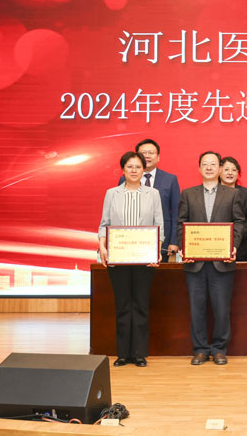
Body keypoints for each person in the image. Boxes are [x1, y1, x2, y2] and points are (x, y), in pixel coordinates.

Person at [177, 151, 246, 366]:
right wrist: (184, 248)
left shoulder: (232, 194)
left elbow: (239, 223)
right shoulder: (188, 194)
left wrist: (233, 246)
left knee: (221, 309)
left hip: (222, 262)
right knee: (196, 309)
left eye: (213, 164)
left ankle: (219, 349)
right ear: (199, 168)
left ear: (219, 169)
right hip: (195, 263)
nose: (209, 167)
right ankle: (200, 349)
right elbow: (181, 224)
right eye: (205, 164)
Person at [98, 151, 164, 367]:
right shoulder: (112, 193)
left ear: (144, 170)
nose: (134, 170)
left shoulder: (153, 194)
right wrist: (102, 247)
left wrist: (157, 252)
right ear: (123, 170)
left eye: (138, 167)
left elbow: (159, 225)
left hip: (145, 259)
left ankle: (139, 353)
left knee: (141, 305)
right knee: (123, 305)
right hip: (118, 258)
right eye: (130, 166)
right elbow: (104, 224)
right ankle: (123, 353)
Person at [118, 139, 180, 262]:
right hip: (132, 240)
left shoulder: (170, 179)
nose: (147, 156)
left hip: (162, 241)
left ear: (158, 157)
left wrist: (174, 241)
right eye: (143, 153)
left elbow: (176, 213)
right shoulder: (124, 179)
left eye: (151, 153)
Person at [219, 156, 247, 262]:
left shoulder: (246, 193)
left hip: (241, 247)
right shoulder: (212, 192)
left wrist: (237, 235)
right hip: (216, 244)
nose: (230, 173)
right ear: (219, 172)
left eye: (234, 170)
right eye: (226, 170)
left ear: (238, 173)